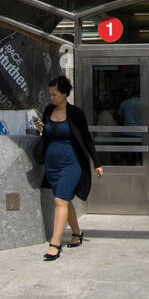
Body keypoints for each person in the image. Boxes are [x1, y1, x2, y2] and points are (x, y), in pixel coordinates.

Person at [33, 76, 103, 260]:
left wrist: (97, 162)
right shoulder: (48, 110)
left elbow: (87, 138)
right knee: (64, 200)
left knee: (59, 201)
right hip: (52, 164)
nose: (51, 98)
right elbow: (47, 133)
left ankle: (55, 244)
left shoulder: (76, 113)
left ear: (65, 94)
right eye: (50, 94)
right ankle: (77, 233)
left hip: (72, 163)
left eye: (55, 94)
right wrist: (40, 128)